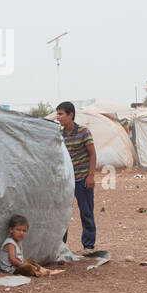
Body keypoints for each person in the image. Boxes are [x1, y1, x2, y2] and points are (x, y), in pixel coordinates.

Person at [56, 102, 97, 253]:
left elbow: (92, 154)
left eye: (61, 114)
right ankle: (61, 245)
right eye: (58, 114)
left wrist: (90, 176)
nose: (58, 117)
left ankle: (88, 245)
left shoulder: (83, 132)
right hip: (66, 181)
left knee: (86, 212)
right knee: (62, 213)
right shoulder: (59, 134)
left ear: (70, 115)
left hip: (82, 179)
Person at [0, 215, 64, 278]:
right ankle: (40, 273)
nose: (21, 233)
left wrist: (26, 263)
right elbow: (12, 260)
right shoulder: (10, 243)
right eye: (18, 230)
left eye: (24, 231)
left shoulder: (18, 242)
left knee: (29, 261)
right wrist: (25, 265)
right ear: (11, 230)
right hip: (10, 270)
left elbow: (20, 259)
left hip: (17, 267)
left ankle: (44, 270)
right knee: (28, 267)